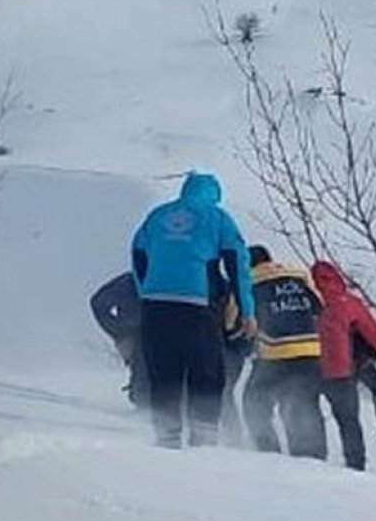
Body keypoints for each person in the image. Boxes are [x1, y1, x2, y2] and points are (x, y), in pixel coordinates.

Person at [130, 171, 255, 449]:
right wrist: (247, 311)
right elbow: (237, 263)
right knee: (207, 372)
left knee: (164, 374)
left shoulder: (156, 216)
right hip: (197, 307)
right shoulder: (218, 218)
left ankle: (166, 436)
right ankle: (204, 439)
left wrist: (145, 292)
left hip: (155, 307)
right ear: (215, 196)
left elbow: (137, 255)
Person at [230, 245, 327, 459]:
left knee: (254, 403)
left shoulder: (249, 282)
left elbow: (234, 320)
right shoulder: (298, 275)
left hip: (276, 353)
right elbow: (320, 306)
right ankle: (314, 459)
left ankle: (270, 455)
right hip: (311, 350)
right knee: (304, 406)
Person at [310, 260, 376, 470]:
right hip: (342, 371)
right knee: (349, 421)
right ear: (337, 278)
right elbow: (371, 329)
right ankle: (356, 464)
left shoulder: (309, 300)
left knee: (309, 413)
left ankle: (314, 458)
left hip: (312, 369)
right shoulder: (350, 302)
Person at [89, 271, 147, 407]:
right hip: (138, 338)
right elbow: (98, 303)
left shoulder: (131, 280)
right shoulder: (131, 281)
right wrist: (121, 332)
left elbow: (98, 303)